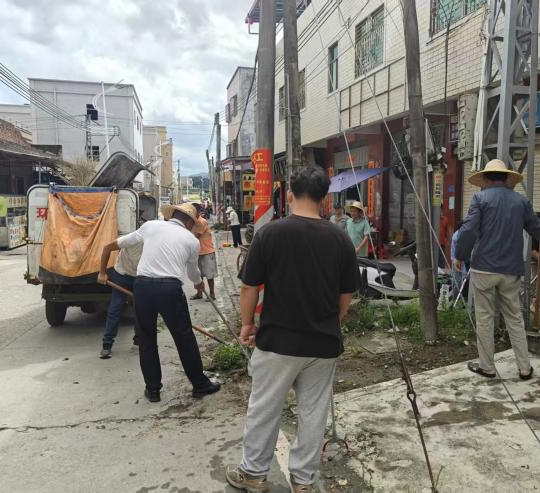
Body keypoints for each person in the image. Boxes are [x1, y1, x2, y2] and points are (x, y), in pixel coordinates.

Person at [226, 166, 360, 493]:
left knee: (264, 409)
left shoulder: (270, 234)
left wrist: (247, 324)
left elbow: (249, 286)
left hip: (278, 342)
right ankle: (303, 482)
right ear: (325, 199)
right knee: (313, 414)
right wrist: (334, 322)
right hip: (323, 344)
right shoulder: (340, 238)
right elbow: (346, 294)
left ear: (288, 196)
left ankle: (254, 474)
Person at [97, 203, 220, 403]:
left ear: (173, 215)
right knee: (184, 338)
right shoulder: (191, 240)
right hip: (170, 290)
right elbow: (192, 273)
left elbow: (116, 244)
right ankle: (200, 385)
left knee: (146, 339)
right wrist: (198, 283)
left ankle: (153, 390)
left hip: (143, 287)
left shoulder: (151, 226)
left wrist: (102, 270)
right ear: (190, 222)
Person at [456, 159, 540, 381]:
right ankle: (524, 368)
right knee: (514, 318)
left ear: (485, 179)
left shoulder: (479, 198)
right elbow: (539, 231)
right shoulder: (521, 201)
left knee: (485, 318)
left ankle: (487, 367)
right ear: (507, 178)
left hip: (484, 267)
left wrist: (460, 255)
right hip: (511, 269)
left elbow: (469, 230)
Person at [97, 237, 142, 359]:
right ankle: (107, 345)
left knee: (141, 310)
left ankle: (138, 342)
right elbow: (107, 248)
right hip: (122, 275)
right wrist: (102, 273)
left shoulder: (157, 244)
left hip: (140, 277)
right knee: (115, 308)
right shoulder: (133, 238)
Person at [191, 203, 217, 300]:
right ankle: (199, 293)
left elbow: (195, 236)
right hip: (197, 252)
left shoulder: (202, 221)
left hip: (207, 251)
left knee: (209, 275)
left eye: (192, 210)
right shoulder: (193, 222)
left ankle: (212, 294)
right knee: (198, 275)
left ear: (197, 211)